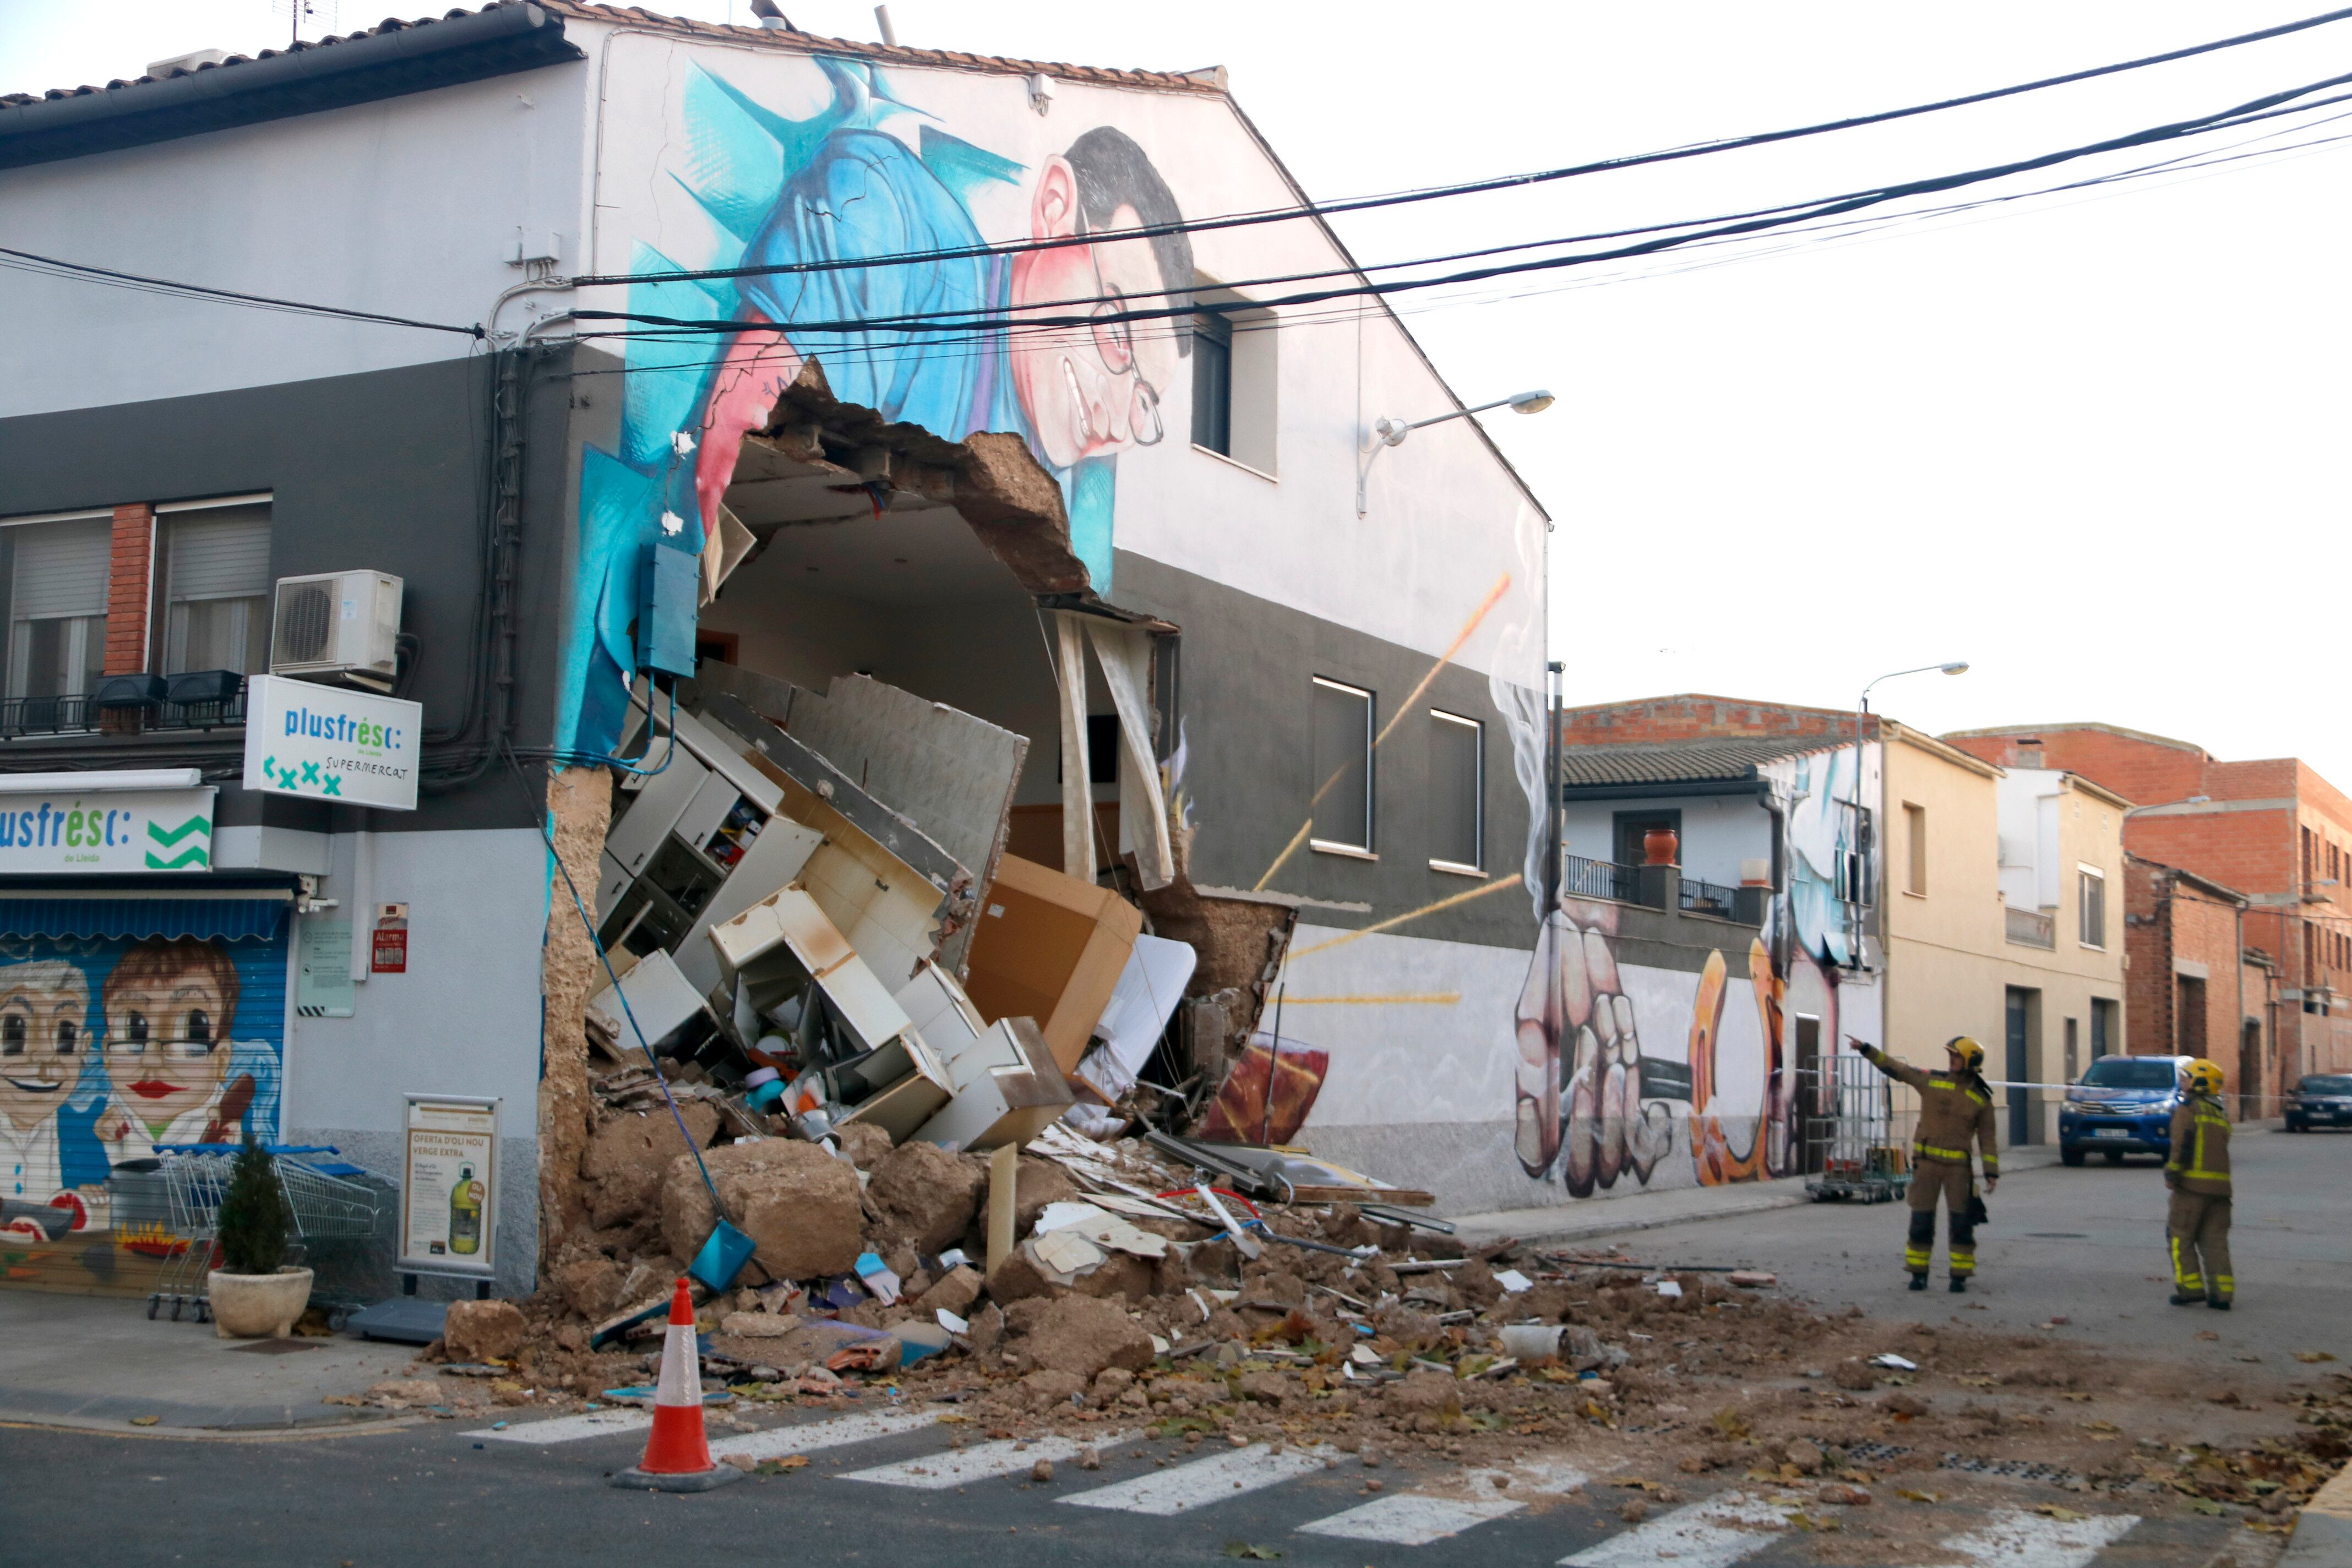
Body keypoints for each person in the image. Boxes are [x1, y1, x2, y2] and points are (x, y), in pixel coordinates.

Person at [684, 122, 1195, 579]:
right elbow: (726, 437)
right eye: (1118, 330)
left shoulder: (1064, 488)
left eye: (1143, 402)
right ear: (1055, 207)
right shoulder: (885, 208)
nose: (1112, 419)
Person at [1858, 1035, 2000, 1293]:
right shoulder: (1931, 1081)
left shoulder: (1981, 1099)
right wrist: (1867, 1050)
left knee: (1962, 1224)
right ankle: (1918, 1274)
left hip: (1958, 1171)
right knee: (1921, 1221)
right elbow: (1898, 1069)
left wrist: (1991, 1172)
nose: (1951, 1061)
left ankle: (1960, 1275)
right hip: (1927, 1167)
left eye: (1956, 1056)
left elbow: (1988, 1138)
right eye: (1950, 1056)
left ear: (1971, 1061)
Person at [2165, 1058, 2234, 1309]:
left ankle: (2190, 1290)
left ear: (2200, 1082)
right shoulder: (2219, 1114)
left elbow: (2181, 1146)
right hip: (2221, 1192)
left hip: (2191, 1189)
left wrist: (2172, 1174)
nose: (2183, 1083)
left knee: (2179, 1237)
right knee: (2215, 1241)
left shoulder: (2188, 1110)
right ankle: (2222, 1295)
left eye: (2186, 1078)